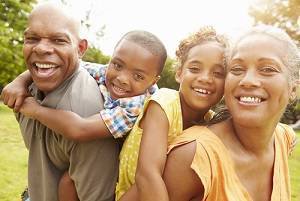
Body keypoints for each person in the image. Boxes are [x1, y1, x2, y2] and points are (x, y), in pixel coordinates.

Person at [6, 31, 167, 201]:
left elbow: (79, 129)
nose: (122, 79)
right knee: (66, 181)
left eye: (138, 76)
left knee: (71, 182)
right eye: (118, 65)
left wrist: (36, 110)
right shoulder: (105, 73)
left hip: (119, 168)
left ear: (153, 81)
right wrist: (20, 81)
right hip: (89, 154)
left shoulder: (135, 105)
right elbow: (62, 65)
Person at [163, 25, 299, 201]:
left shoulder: (283, 139)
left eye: (267, 69)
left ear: (293, 89)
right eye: (236, 69)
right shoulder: (194, 156)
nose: (247, 81)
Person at [0, 2, 120, 201]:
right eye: (32, 38)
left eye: (58, 40)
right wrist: (21, 79)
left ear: (80, 48)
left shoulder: (87, 113)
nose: (41, 48)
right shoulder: (25, 93)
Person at [117, 26, 229, 201]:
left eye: (217, 73)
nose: (205, 78)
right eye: (195, 68)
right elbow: (147, 174)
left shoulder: (210, 121)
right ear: (179, 73)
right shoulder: (164, 102)